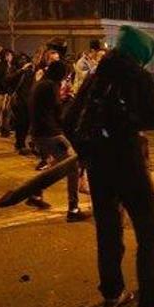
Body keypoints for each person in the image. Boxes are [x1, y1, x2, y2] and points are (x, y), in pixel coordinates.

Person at [64, 25, 154, 307]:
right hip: (128, 164)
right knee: (149, 233)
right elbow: (153, 118)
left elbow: (69, 118)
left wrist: (86, 153)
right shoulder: (136, 77)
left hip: (99, 167)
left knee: (108, 232)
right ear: (141, 55)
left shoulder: (96, 76)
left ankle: (112, 294)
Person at [28, 60, 89, 222]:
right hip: (51, 133)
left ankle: (34, 193)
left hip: (39, 132)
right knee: (72, 166)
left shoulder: (41, 84)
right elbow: (57, 111)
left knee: (56, 165)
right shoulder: (51, 86)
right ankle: (73, 208)